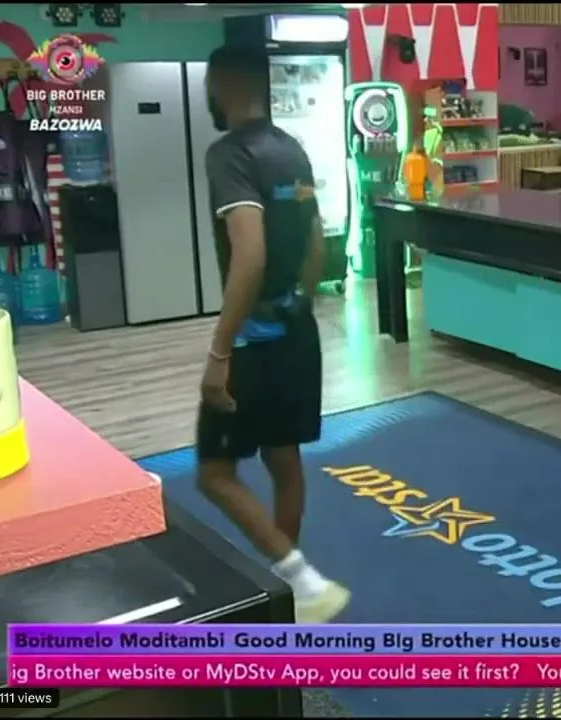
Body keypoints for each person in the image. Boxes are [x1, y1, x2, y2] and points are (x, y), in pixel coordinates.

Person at [195, 44, 350, 624]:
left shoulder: (228, 155)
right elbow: (315, 242)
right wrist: (299, 303)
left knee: (215, 473)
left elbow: (250, 253)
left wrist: (220, 350)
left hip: (253, 344)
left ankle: (304, 582)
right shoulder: (292, 150)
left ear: (221, 87)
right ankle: (292, 594)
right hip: (296, 330)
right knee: (283, 459)